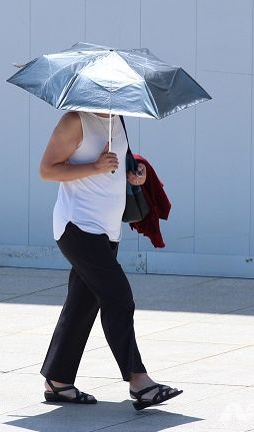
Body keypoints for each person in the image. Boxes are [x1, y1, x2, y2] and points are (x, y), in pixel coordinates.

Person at [38, 110, 183, 411]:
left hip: (107, 229)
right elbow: (47, 170)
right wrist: (94, 166)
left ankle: (58, 380)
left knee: (82, 304)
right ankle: (139, 381)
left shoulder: (117, 119)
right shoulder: (74, 121)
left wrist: (136, 174)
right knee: (119, 297)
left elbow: (120, 166)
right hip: (76, 227)